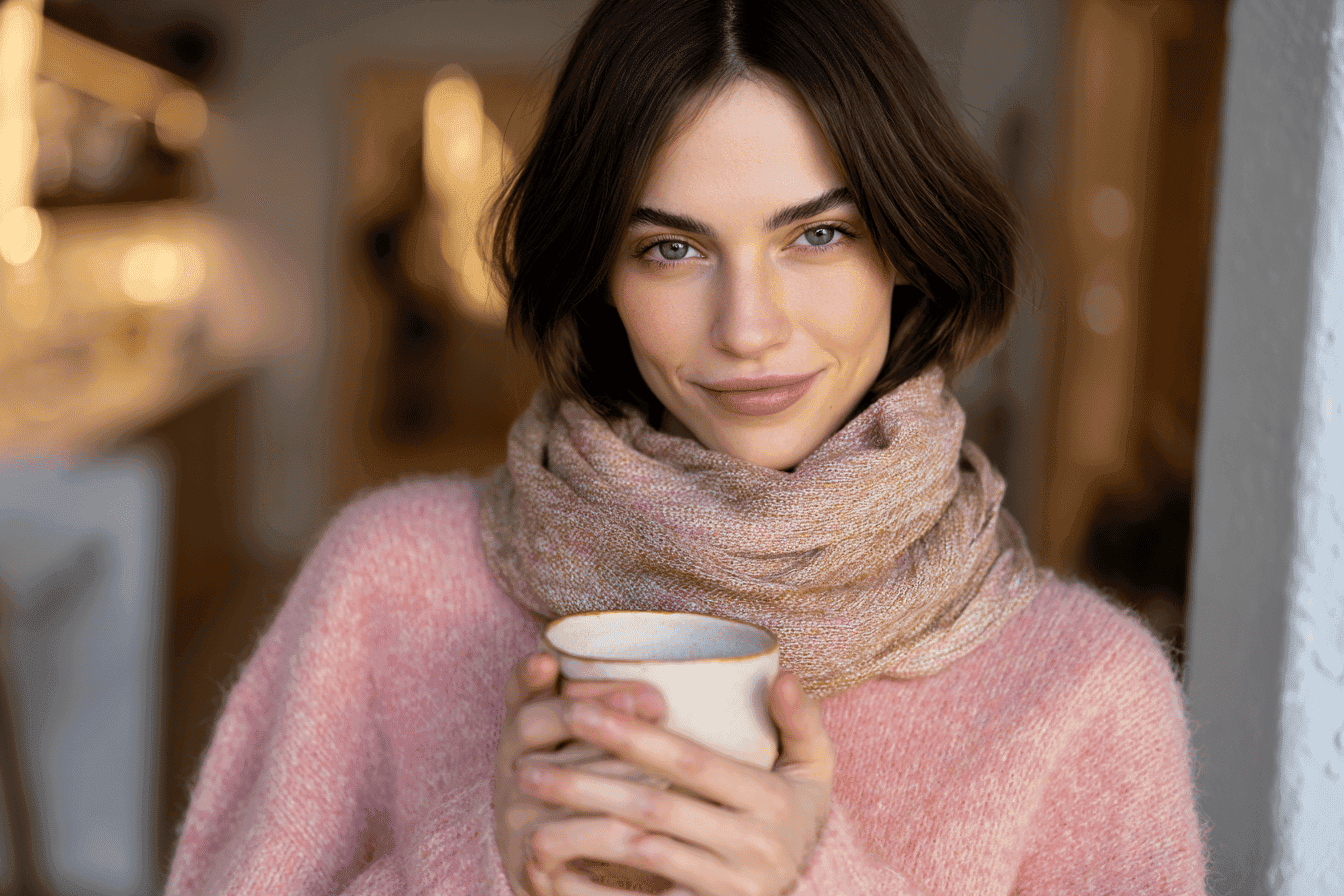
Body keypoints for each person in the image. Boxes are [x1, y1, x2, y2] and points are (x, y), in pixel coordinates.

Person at [164, 0, 1208, 894]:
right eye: (671, 247)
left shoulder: (1083, 692)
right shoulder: (389, 583)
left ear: (908, 247)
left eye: (818, 233)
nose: (748, 326)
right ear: (600, 279)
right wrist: (481, 863)